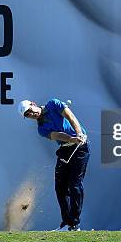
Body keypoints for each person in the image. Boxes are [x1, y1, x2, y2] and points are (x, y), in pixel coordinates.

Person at [19, 98, 90, 231]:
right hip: (65, 148)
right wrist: (72, 139)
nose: (31, 115)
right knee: (60, 187)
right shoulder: (41, 129)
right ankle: (67, 223)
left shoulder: (53, 104)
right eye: (27, 115)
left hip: (81, 148)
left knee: (75, 184)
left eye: (30, 111)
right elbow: (57, 135)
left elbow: (70, 116)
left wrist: (79, 133)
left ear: (33, 104)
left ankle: (74, 224)